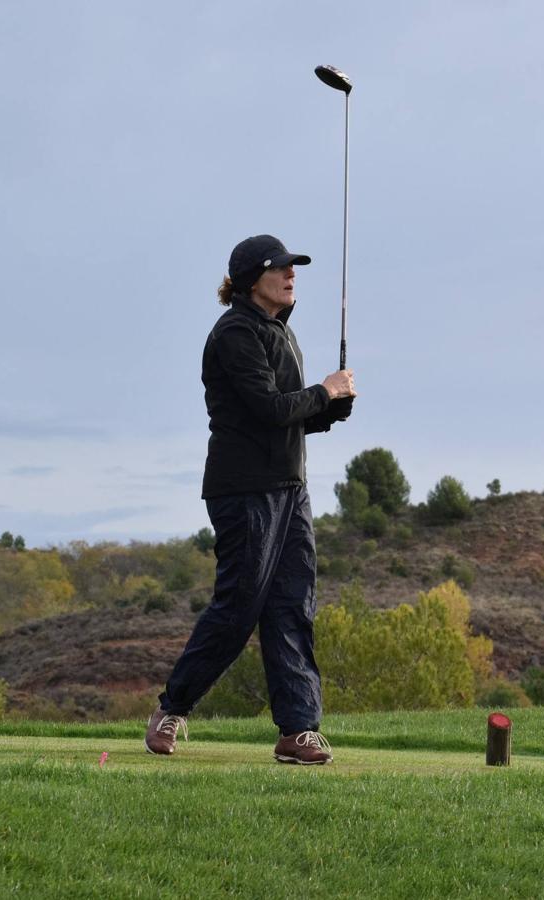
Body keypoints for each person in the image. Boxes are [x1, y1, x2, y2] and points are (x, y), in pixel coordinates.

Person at [145, 234, 356, 765]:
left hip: (290, 489)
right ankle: (172, 707)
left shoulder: (280, 333)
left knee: (291, 607)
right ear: (250, 280)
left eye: (293, 268)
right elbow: (266, 408)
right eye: (281, 268)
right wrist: (323, 393)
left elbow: (290, 418)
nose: (292, 275)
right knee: (239, 608)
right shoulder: (236, 331)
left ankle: (298, 731)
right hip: (243, 492)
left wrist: (331, 409)